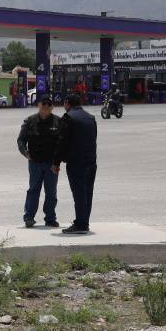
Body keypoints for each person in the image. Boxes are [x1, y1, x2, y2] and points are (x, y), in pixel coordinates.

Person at [53, 94, 98, 235]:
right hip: (91, 161)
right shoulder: (90, 117)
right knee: (87, 193)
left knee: (79, 193)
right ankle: (84, 222)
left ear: (67, 103)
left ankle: (80, 224)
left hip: (76, 162)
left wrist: (56, 162)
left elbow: (62, 141)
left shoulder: (68, 117)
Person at [18, 97, 61, 228]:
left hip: (51, 164)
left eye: (49, 104)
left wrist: (59, 160)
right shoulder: (30, 121)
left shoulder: (58, 121)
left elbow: (62, 142)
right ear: (39, 105)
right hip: (35, 163)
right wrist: (26, 154)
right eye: (44, 104)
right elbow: (21, 140)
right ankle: (29, 217)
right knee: (33, 190)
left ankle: (50, 218)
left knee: (51, 192)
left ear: (52, 107)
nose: (46, 106)